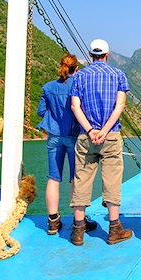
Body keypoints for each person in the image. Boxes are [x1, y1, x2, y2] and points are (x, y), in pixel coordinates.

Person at [68, 38, 132, 246]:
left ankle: (78, 231)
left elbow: (75, 107)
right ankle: (114, 229)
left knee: (81, 179)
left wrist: (90, 130)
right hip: (110, 135)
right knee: (112, 180)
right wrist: (104, 131)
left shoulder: (79, 77)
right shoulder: (118, 75)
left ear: (90, 55)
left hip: (86, 136)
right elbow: (119, 106)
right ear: (108, 54)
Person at [36, 54, 97, 235]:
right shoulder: (77, 86)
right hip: (74, 136)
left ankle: (53, 221)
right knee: (75, 178)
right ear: (76, 69)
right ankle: (80, 219)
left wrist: (52, 120)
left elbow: (41, 111)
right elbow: (83, 109)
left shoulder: (48, 88)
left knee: (53, 178)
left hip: (54, 136)